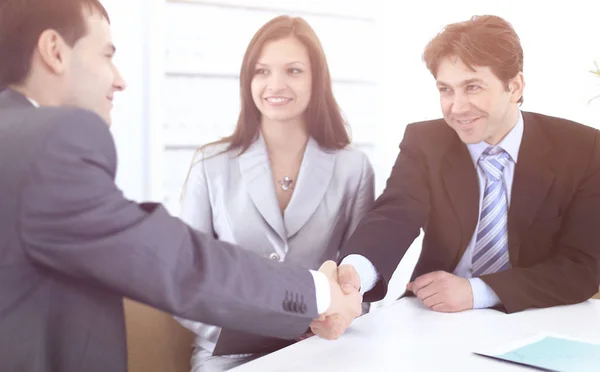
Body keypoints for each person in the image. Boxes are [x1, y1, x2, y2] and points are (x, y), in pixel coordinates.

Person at [0, 1, 363, 371]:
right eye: (106, 55)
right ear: (54, 52)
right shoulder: (48, 143)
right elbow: (179, 263)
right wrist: (316, 294)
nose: (120, 79)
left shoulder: (15, 139)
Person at [315, 14, 600, 338]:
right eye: (445, 90)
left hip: (538, 321)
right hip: (436, 318)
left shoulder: (583, 149)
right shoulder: (427, 142)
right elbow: (394, 216)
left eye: (473, 87)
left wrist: (476, 291)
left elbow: (582, 270)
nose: (456, 106)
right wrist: (354, 276)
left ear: (515, 86)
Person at [174, 15, 375, 371]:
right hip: (229, 355)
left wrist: (332, 318)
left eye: (293, 71)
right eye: (262, 71)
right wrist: (258, 327)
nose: (275, 84)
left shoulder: (353, 168)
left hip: (321, 351)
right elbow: (183, 279)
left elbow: (360, 288)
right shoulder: (210, 164)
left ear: (317, 79)